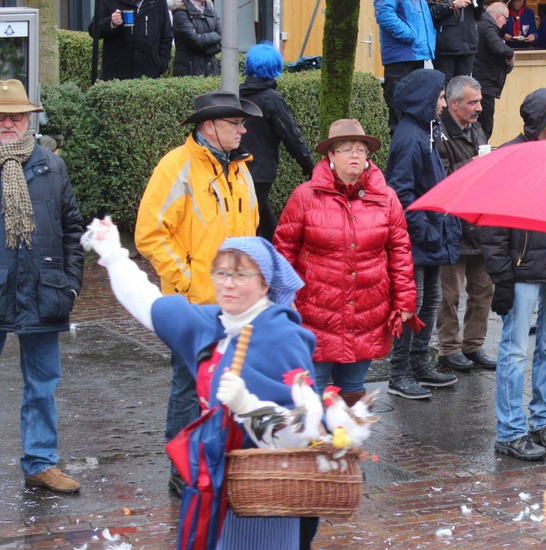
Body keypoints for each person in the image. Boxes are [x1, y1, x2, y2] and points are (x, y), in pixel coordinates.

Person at [80, 221, 363, 550]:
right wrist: (112, 254)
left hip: (261, 502)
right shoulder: (210, 325)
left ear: (265, 282)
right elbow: (149, 305)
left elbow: (308, 431)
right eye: (222, 272)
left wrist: (250, 406)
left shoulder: (281, 335)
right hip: (212, 494)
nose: (228, 283)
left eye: (242, 274)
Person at [136, 91, 261, 496]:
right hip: (194, 304)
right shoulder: (177, 165)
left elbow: (250, 232)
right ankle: (183, 465)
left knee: (230, 383)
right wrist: (189, 280)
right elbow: (150, 233)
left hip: (238, 303)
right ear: (209, 127)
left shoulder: (240, 169)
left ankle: (220, 457)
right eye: (235, 124)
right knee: (189, 385)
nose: (243, 130)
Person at [274, 118, 417, 403]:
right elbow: (283, 249)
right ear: (330, 156)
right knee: (308, 396)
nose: (355, 155)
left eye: (361, 149)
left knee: (351, 394)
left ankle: (344, 447)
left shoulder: (386, 199)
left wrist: (405, 301)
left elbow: (400, 252)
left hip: (367, 312)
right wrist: (282, 294)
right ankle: (311, 447)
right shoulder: (305, 196)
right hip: (315, 313)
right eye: (346, 149)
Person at [480, 88, 546, 460]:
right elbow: (491, 227)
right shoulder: (510, 158)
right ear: (541, 123)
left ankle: (542, 421)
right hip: (522, 270)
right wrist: (502, 278)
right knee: (514, 351)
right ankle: (510, 431)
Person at [0, 80, 84, 494]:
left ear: (29, 118)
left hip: (42, 290)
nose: (8, 123)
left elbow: (72, 229)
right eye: (1, 116)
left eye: (16, 115)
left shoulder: (52, 166)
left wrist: (70, 285)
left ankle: (40, 462)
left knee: (43, 383)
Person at [385, 69, 462, 399]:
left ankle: (418, 363)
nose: (444, 104)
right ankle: (399, 371)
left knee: (429, 300)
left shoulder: (427, 131)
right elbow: (401, 192)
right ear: (425, 101)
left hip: (429, 234)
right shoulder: (410, 138)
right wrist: (425, 229)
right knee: (410, 304)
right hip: (417, 237)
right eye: (441, 97)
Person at [435, 76, 498, 373]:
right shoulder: (439, 135)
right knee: (449, 294)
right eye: (473, 102)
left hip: (480, 223)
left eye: (480, 101)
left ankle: (473, 345)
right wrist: (475, 163)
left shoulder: (476, 129)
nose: (479, 108)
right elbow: (442, 179)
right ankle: (448, 348)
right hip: (453, 226)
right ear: (455, 104)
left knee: (483, 290)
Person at [239, 43, 317, 241]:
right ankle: (265, 261)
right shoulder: (271, 99)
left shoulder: (235, 94)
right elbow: (291, 136)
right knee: (253, 223)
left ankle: (278, 256)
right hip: (261, 171)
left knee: (263, 217)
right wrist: (309, 166)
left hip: (237, 168)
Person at [375, 0, 436, 133]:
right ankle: (398, 149)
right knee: (397, 110)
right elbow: (384, 14)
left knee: (414, 107)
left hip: (418, 54)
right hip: (400, 55)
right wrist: (409, 35)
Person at [89, 0, 172, 81]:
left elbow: (166, 35)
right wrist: (111, 22)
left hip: (149, 77)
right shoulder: (108, 2)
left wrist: (161, 64)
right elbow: (93, 30)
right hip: (116, 78)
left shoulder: (158, 2)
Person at [473, 2, 515, 141]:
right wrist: (511, 54)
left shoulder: (481, 24)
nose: (506, 22)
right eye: (506, 18)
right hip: (486, 84)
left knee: (478, 125)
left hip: (481, 82)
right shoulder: (488, 28)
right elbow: (499, 48)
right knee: (485, 127)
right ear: (499, 16)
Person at [429, 0, 483, 80]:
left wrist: (478, 3)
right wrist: (452, 5)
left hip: (468, 45)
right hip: (446, 47)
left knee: (463, 87)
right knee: (445, 85)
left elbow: (478, 16)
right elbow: (430, 13)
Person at [169, 0, 222, 77]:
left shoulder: (211, 9)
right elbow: (194, 41)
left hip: (211, 72)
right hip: (188, 73)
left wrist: (202, 41)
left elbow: (222, 40)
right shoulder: (180, 11)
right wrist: (215, 36)